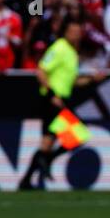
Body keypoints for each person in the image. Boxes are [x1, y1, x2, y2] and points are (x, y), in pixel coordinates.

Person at [19, 18, 97, 190]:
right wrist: (52, 94)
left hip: (61, 98)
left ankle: (26, 180)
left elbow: (72, 81)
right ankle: (47, 161)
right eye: (72, 32)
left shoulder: (72, 52)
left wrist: (91, 79)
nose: (75, 35)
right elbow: (41, 71)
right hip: (53, 100)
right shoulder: (59, 48)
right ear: (65, 32)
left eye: (78, 32)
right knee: (78, 135)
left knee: (47, 143)